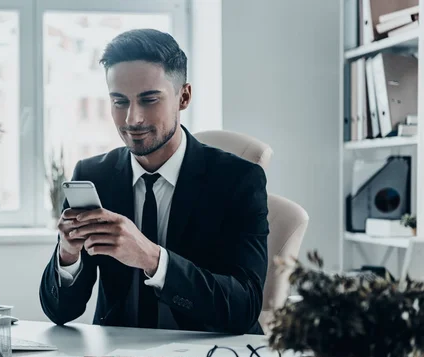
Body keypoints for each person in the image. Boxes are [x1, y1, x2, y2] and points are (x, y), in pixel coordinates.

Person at [39, 29, 268, 334]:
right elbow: (60, 312)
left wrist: (153, 259)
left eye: (148, 100)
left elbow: (244, 307)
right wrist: (68, 256)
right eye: (119, 102)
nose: (132, 119)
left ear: (183, 97)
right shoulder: (94, 176)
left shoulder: (238, 180)